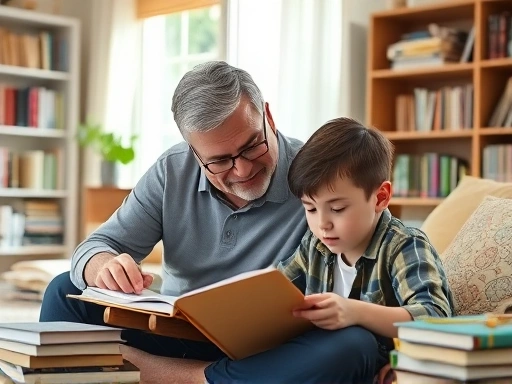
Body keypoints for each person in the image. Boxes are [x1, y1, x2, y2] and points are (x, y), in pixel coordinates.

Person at [41, 61, 355, 383]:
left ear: (268, 117)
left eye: (251, 146)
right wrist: (104, 266)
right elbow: (95, 247)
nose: (243, 170)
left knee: (351, 346)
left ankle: (167, 375)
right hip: (176, 334)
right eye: (219, 161)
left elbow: (382, 245)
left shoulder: (318, 172)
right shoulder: (172, 170)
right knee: (63, 290)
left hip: (267, 349)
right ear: (194, 152)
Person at [276, 117, 454, 382]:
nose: (322, 224)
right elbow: (275, 290)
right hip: (322, 362)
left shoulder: (404, 245)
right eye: (310, 209)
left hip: (358, 361)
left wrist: (353, 311)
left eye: (337, 209)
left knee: (353, 343)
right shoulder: (315, 247)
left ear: (380, 197)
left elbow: (435, 317)